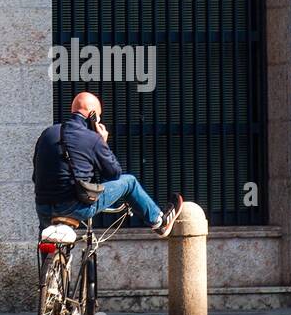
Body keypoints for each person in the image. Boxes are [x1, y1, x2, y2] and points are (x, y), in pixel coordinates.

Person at [33, 91, 183, 236]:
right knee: (129, 182)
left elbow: (36, 175)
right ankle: (159, 221)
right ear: (93, 116)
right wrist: (102, 142)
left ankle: (49, 259)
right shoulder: (93, 138)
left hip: (43, 207)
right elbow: (114, 174)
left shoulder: (47, 133)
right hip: (74, 207)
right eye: (98, 116)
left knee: (47, 241)